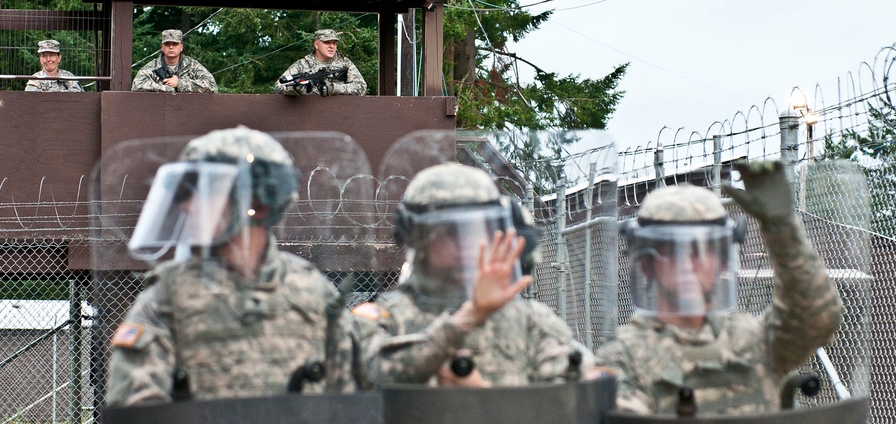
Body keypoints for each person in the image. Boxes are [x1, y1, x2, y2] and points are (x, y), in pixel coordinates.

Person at [106, 126, 358, 405]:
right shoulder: (165, 300)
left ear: (258, 202)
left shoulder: (314, 294)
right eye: (184, 192)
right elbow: (136, 410)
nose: (186, 206)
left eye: (201, 190)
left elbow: (352, 406)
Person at [596, 160, 843, 416]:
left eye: (699, 250)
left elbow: (817, 320)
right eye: (670, 251)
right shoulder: (623, 358)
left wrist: (783, 229)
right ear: (646, 265)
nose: (686, 265)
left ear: (723, 263)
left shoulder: (751, 340)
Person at [352, 163, 592, 388]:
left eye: (475, 229)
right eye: (447, 231)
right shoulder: (383, 320)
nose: (464, 243)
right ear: (419, 239)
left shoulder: (530, 322)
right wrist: (468, 318)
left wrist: (482, 400)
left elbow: (581, 403)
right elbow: (359, 384)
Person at [274, 29, 367, 96]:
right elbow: (278, 86)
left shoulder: (345, 63)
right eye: (327, 43)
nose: (332, 46)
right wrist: (295, 90)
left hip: (339, 114)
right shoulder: (302, 64)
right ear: (316, 44)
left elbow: (361, 87)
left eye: (334, 43)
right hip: (309, 115)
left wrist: (333, 88)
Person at [132, 29, 217, 93]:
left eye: (175, 44)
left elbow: (212, 86)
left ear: (181, 47)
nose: (171, 47)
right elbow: (136, 86)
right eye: (167, 44)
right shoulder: (153, 67)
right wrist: (166, 88)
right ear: (162, 47)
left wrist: (179, 84)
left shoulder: (192, 65)